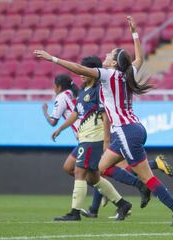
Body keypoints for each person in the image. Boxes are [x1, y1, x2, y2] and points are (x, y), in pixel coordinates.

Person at [34, 16, 173, 226]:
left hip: (125, 130)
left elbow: (80, 69)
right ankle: (144, 189)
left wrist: (53, 58)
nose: (105, 56)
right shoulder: (126, 73)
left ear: (114, 62)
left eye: (109, 55)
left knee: (147, 177)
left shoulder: (108, 75)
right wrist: (134, 33)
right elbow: (140, 59)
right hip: (132, 128)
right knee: (102, 166)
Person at [49, 55, 133, 221]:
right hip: (85, 136)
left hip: (94, 136)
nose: (81, 73)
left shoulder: (99, 90)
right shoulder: (83, 91)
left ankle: (75, 212)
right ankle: (122, 204)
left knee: (80, 171)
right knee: (93, 177)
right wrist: (60, 128)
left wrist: (106, 140)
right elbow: (76, 113)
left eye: (85, 69)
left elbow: (105, 115)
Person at [42, 74, 80, 177]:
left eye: (54, 86)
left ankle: (100, 186)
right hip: (88, 132)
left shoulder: (61, 97)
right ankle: (99, 186)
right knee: (77, 170)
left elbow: (53, 122)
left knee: (71, 168)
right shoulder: (74, 93)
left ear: (59, 87)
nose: (53, 89)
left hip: (84, 135)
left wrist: (45, 112)